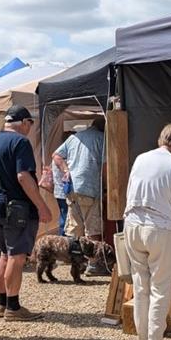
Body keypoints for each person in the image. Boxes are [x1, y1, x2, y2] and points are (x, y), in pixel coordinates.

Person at [124, 123, 171, 340]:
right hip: (160, 228)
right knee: (160, 289)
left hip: (132, 225)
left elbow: (129, 191)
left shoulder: (141, 159)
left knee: (141, 286)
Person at [0, 105, 51, 321]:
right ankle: (13, 307)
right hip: (16, 207)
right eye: (30, 124)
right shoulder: (20, 142)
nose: (30, 128)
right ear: (24, 122)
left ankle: (2, 303)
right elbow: (23, 176)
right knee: (17, 255)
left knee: (4, 253)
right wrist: (41, 205)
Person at [53, 117, 107, 275]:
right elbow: (105, 166)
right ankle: (93, 264)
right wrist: (106, 187)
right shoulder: (102, 139)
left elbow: (56, 155)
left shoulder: (74, 137)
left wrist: (66, 170)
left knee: (75, 228)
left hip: (72, 188)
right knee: (93, 228)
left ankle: (76, 263)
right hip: (90, 188)